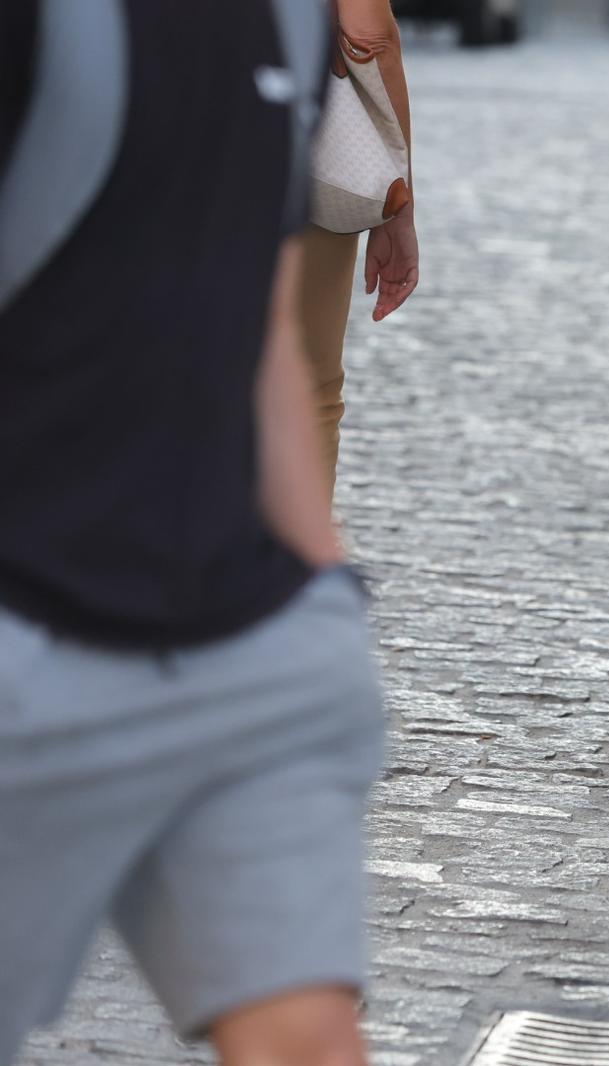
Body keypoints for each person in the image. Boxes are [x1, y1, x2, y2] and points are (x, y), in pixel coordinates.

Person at [0, 3, 384, 1064]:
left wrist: (321, 589)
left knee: (309, 1040)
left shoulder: (298, 17)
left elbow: (253, 317)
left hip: (244, 644)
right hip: (24, 632)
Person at [302, 0, 420, 493]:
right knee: (310, 390)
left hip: (137, 132)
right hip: (292, 141)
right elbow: (370, 33)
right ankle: (292, 563)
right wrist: (398, 199)